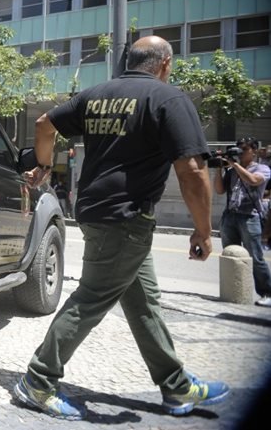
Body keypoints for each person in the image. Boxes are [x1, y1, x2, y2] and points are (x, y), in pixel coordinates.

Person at [13, 36, 229, 420]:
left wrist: (44, 166)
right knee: (92, 298)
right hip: (125, 217)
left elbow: (45, 124)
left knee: (145, 304)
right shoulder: (167, 98)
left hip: (98, 210)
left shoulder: (95, 95)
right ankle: (38, 381)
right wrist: (203, 230)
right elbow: (193, 171)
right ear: (164, 64)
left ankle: (176, 387)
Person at [214, 137, 271, 307]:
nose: (240, 152)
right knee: (231, 254)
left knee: (255, 257)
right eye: (238, 148)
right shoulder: (232, 171)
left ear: (254, 151)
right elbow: (219, 190)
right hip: (230, 215)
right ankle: (233, 291)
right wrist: (219, 169)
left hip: (250, 216)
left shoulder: (263, 168)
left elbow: (253, 181)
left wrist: (234, 165)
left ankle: (267, 292)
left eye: (244, 149)